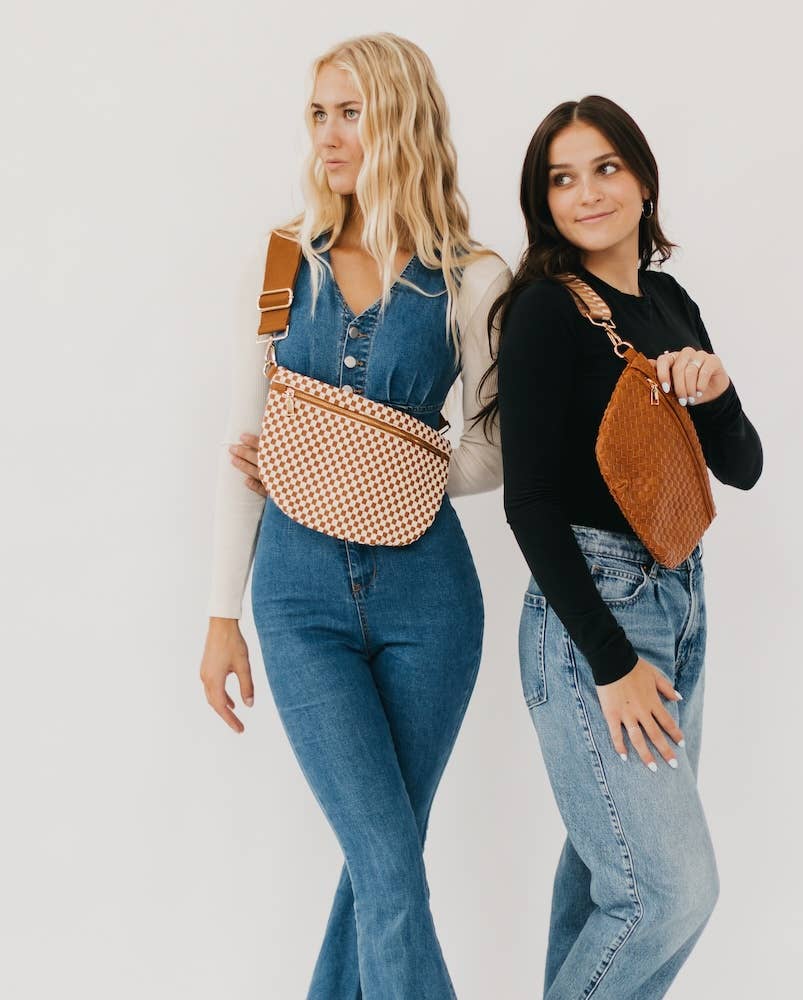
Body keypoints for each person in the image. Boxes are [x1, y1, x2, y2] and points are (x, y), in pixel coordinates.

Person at [197, 33, 509, 1000]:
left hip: (431, 604)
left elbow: (494, 447)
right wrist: (221, 616)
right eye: (319, 113)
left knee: (384, 868)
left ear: (402, 118)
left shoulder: (476, 275)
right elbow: (249, 448)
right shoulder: (285, 258)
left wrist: (367, 464)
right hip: (297, 603)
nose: (329, 134)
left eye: (351, 111)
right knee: (386, 863)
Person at [480, 95, 764, 998]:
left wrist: (714, 389)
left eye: (605, 168)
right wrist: (609, 662)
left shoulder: (673, 302)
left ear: (642, 180)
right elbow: (527, 506)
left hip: (681, 602)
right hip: (592, 622)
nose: (587, 193)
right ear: (544, 203)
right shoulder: (544, 313)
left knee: (614, 881)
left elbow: (743, 466)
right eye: (562, 179)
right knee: (669, 892)